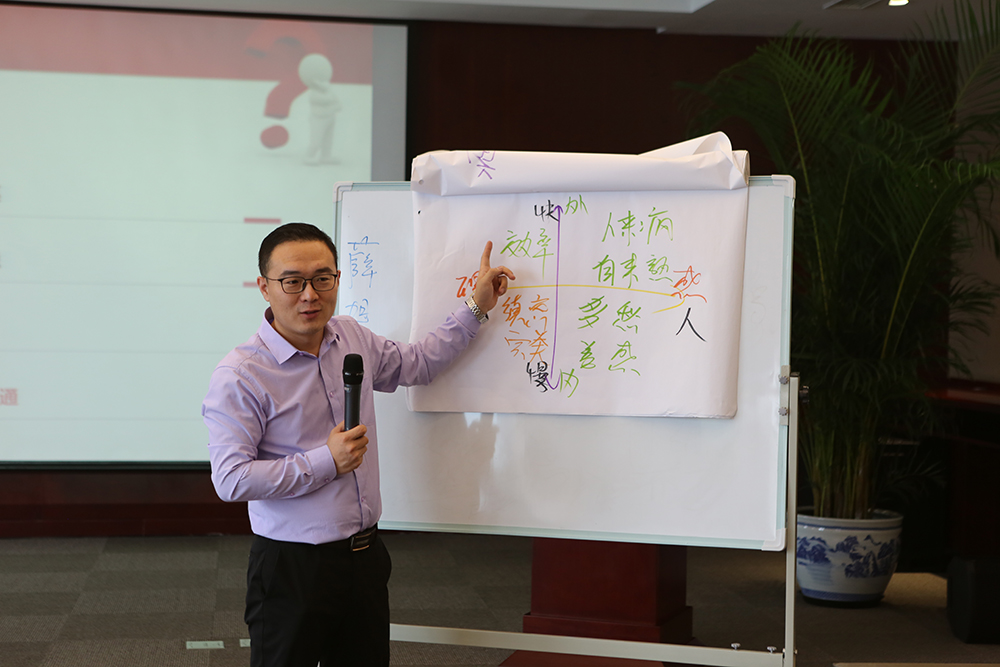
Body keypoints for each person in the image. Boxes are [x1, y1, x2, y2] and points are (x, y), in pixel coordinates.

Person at [202, 222, 514, 667]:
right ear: (264, 287)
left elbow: (418, 364)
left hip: (364, 558)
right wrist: (326, 461)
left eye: (322, 278)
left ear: (337, 279)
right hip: (293, 567)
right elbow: (231, 479)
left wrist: (476, 307)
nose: (310, 295)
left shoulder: (351, 337)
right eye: (292, 282)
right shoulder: (241, 374)